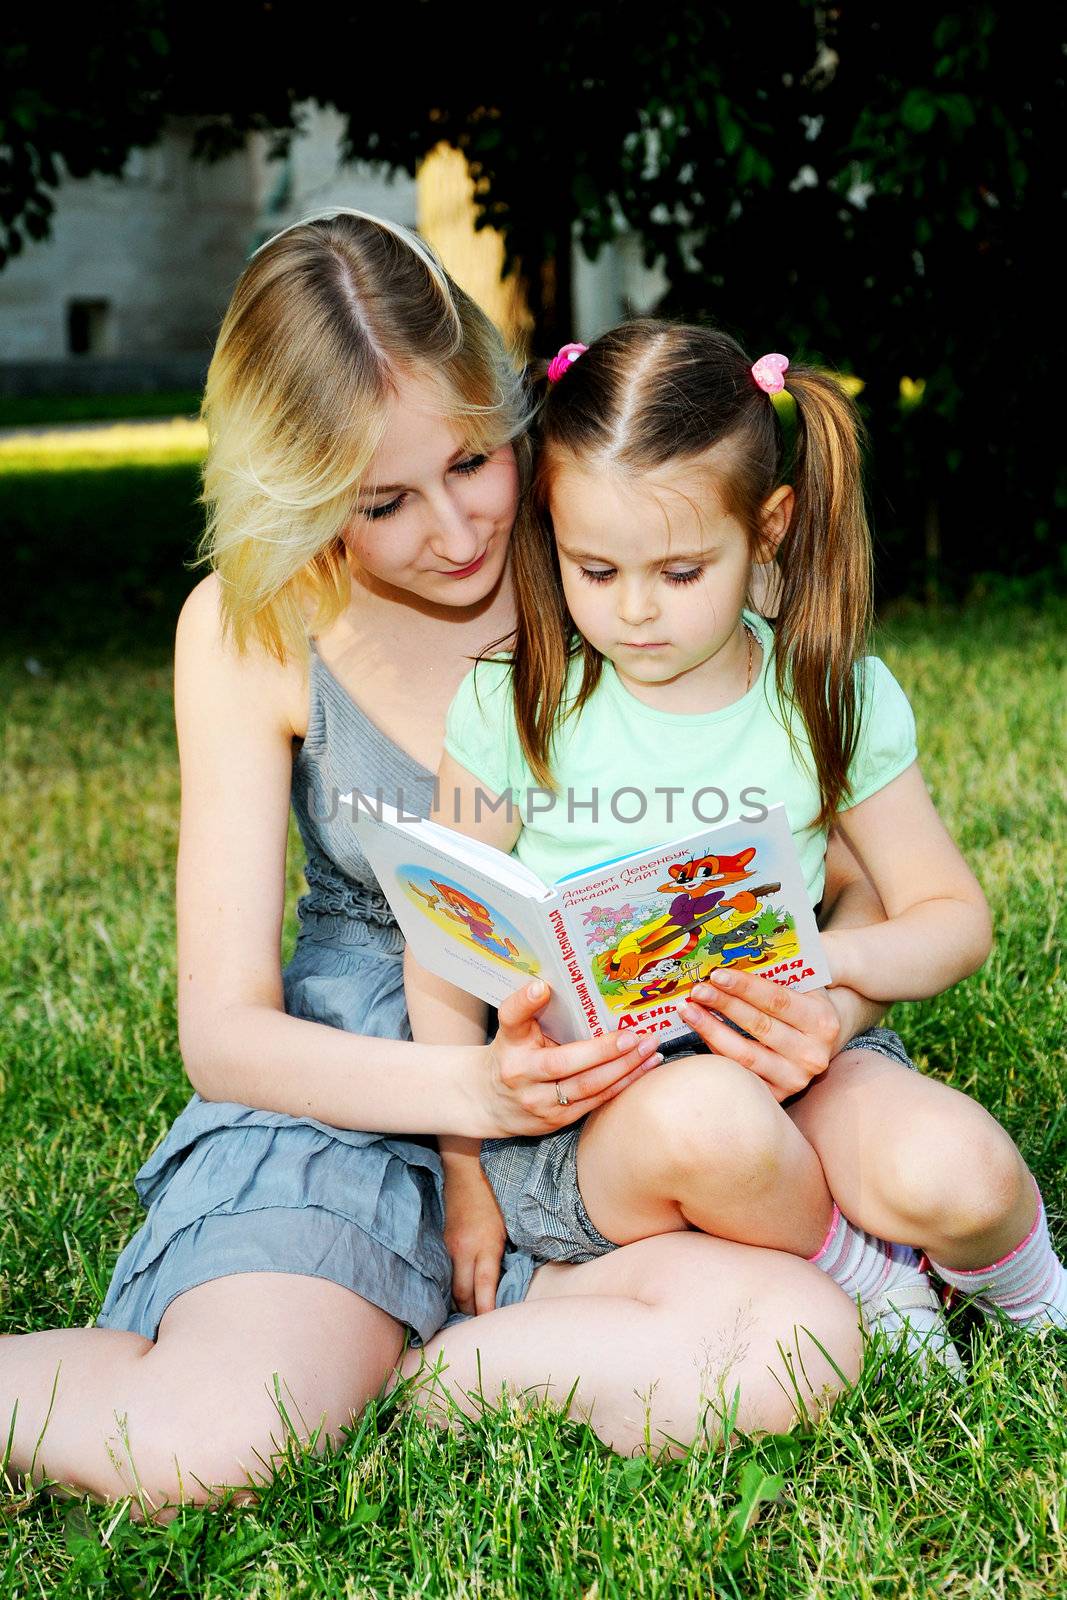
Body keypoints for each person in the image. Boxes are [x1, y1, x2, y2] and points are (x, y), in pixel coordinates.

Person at [0, 213, 887, 1518]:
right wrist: (469, 1089)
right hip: (358, 1079)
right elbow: (225, 1029)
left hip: (628, 1080)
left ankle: (444, 1368)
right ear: (298, 498)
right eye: (381, 502)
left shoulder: (618, 553)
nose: (458, 529)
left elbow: (858, 885)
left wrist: (827, 1007)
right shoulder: (251, 629)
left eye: (473, 460)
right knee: (209, 1444)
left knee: (797, 1347)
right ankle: (326, 1336)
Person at [405, 321, 1067, 1372]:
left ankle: (1032, 1296)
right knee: (710, 1117)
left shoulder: (824, 694)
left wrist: (827, 971)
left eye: (677, 572)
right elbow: (444, 942)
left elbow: (951, 919)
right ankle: (867, 1274)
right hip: (597, 1118)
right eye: (592, 567)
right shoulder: (511, 700)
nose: (631, 611)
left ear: (768, 527)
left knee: (965, 1175)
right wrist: (464, 1164)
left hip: (806, 1059)